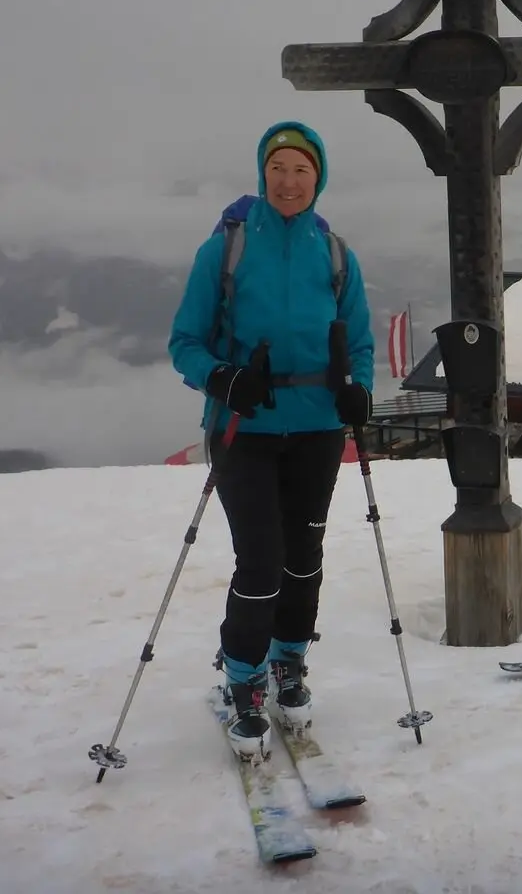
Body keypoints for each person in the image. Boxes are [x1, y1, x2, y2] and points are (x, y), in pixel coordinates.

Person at [168, 121, 374, 758]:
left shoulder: (335, 253)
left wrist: (357, 389)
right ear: (263, 174)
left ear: (319, 178)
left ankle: (290, 659)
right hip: (243, 428)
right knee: (260, 559)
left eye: (302, 170)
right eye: (279, 168)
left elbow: (360, 341)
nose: (289, 181)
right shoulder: (225, 249)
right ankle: (244, 677)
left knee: (303, 555)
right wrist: (224, 378)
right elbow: (185, 343)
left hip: (316, 427)